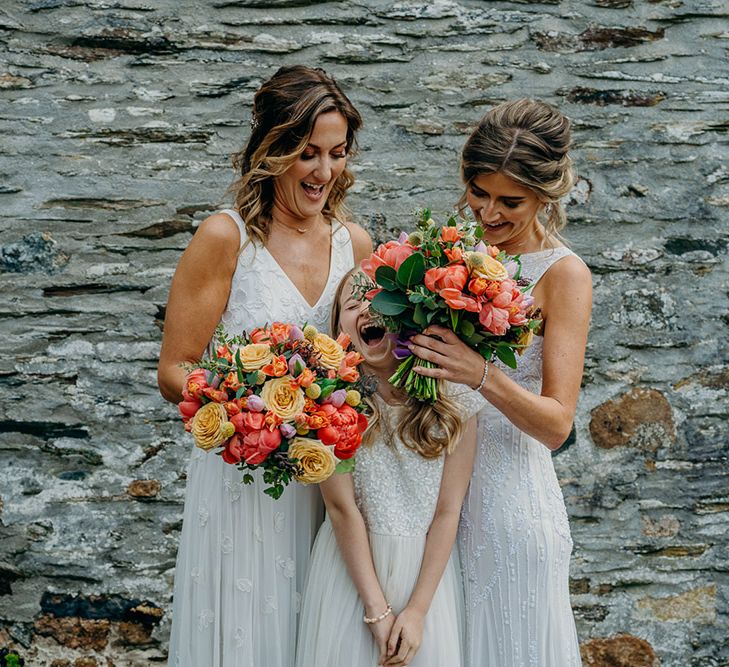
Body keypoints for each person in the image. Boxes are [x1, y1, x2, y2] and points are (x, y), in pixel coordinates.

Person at [157, 65, 372, 667]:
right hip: (244, 477)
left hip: (329, 479)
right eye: (307, 154)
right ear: (273, 149)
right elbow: (175, 369)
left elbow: (366, 360)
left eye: (336, 153)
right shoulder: (226, 238)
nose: (324, 172)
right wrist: (248, 409)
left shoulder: (354, 243)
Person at [408, 99, 592, 666]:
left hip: (511, 505)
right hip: (427, 503)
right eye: (477, 192)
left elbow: (558, 425)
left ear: (547, 195)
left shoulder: (565, 276)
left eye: (509, 201)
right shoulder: (445, 253)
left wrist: (480, 374)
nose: (488, 212)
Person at [296, 271, 484, 667]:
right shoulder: (329, 403)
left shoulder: (454, 401)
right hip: (352, 575)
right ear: (339, 328)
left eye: (379, 300)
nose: (367, 309)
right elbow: (341, 509)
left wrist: (415, 612)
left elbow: (448, 511)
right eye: (352, 305)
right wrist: (377, 610)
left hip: (426, 581)